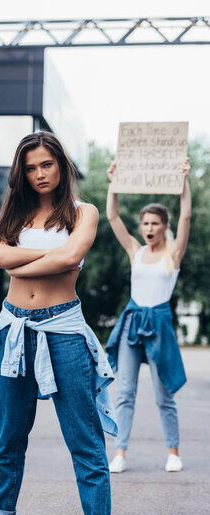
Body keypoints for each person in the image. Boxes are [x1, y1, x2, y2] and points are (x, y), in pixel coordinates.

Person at [0, 132, 117, 515]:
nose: (39, 174)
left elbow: (71, 257)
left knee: (82, 435)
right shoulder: (14, 214)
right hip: (14, 328)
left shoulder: (82, 213)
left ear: (61, 165)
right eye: (30, 168)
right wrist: (40, 257)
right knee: (10, 434)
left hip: (63, 329)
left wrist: (20, 257)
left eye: (46, 165)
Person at [105, 159, 191, 474]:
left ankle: (173, 452)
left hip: (159, 324)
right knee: (125, 392)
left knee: (163, 393)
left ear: (164, 226)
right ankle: (121, 453)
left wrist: (184, 180)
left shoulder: (174, 253)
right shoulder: (135, 250)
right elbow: (112, 216)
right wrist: (112, 181)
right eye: (145, 224)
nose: (149, 229)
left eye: (155, 223)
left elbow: (186, 215)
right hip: (132, 322)